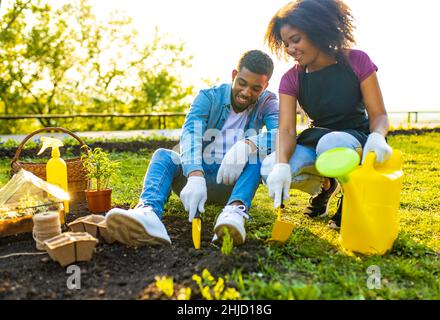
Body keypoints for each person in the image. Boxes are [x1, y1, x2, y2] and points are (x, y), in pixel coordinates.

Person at [106, 50, 278, 246]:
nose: (247, 92)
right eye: (242, 83)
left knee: (258, 157)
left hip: (232, 183)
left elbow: (283, 133)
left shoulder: (268, 102)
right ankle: (149, 213)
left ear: (265, 86)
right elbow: (191, 134)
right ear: (233, 75)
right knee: (163, 155)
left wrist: (248, 145)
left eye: (256, 88)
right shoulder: (208, 97)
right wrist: (195, 175)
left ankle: (234, 213)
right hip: (194, 182)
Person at [261, 0, 393, 230]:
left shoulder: (357, 60)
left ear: (317, 31)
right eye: (286, 44)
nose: (290, 49)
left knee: (331, 143)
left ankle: (352, 197)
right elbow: (286, 130)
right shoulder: (291, 79)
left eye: (296, 40)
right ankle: (326, 185)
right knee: (268, 167)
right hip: (318, 139)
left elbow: (379, 114)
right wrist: (282, 165)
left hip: (355, 138)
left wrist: (378, 136)